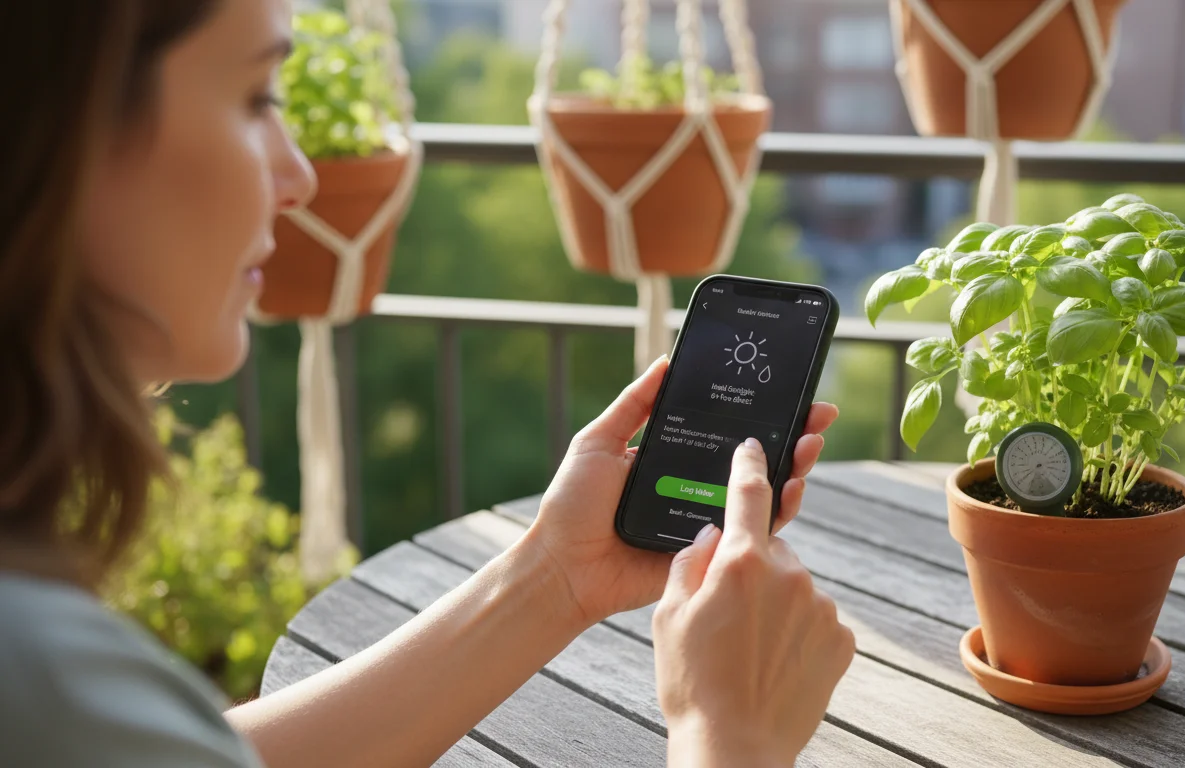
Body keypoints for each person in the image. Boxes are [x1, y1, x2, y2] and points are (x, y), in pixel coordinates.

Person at [0, 1, 857, 766]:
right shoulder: (34, 670)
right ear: (59, 131)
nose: (299, 178)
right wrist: (727, 739)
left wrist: (558, 575)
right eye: (258, 98)